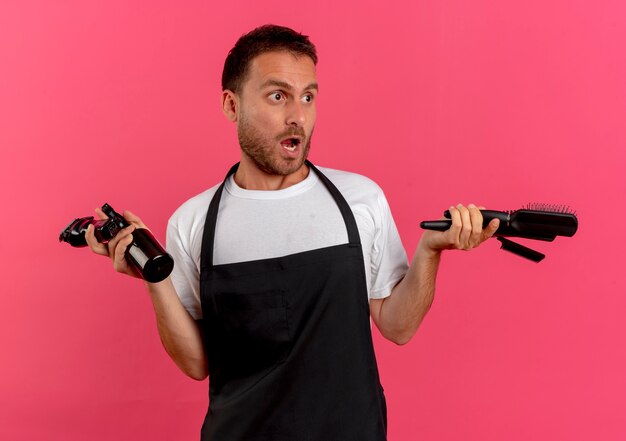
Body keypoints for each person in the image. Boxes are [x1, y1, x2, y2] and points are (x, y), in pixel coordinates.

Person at [85, 24, 500, 441]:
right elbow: (197, 364)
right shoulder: (194, 222)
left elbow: (398, 326)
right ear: (232, 105)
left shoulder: (361, 200)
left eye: (308, 97)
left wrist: (430, 250)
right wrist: (155, 281)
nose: (297, 116)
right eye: (277, 95)